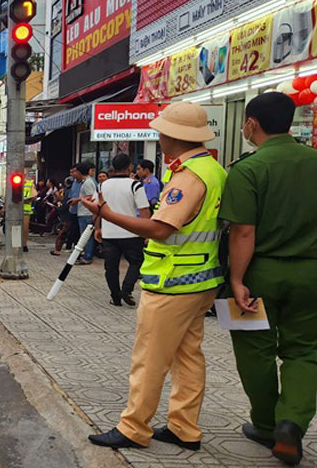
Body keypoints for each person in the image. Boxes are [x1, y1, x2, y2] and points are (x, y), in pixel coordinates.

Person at [80, 101, 226, 451]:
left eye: (162, 132)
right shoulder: (213, 170)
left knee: (150, 358)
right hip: (201, 281)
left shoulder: (190, 177)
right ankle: (184, 428)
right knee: (188, 356)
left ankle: (133, 427)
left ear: (175, 136)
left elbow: (160, 229)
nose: (158, 137)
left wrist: (106, 214)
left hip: (172, 284)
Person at [219, 92, 317, 466]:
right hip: (311, 273)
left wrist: (238, 278)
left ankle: (265, 423)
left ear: (252, 124)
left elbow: (242, 231)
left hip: (260, 274)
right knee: (305, 351)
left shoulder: (247, 169)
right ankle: (291, 422)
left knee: (253, 349)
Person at [95, 154, 150, 306]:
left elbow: (97, 208)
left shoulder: (102, 186)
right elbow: (144, 210)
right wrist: (147, 232)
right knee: (136, 262)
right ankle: (127, 289)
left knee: (111, 267)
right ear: (129, 167)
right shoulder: (135, 185)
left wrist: (98, 228)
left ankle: (115, 296)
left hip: (109, 233)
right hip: (131, 232)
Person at [69, 162, 97, 265]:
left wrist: (77, 200)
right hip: (83, 212)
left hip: (86, 213)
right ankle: (86, 254)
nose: (74, 173)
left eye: (75, 171)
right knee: (84, 235)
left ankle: (88, 256)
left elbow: (91, 196)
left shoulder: (88, 182)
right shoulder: (84, 182)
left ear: (80, 172)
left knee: (86, 236)